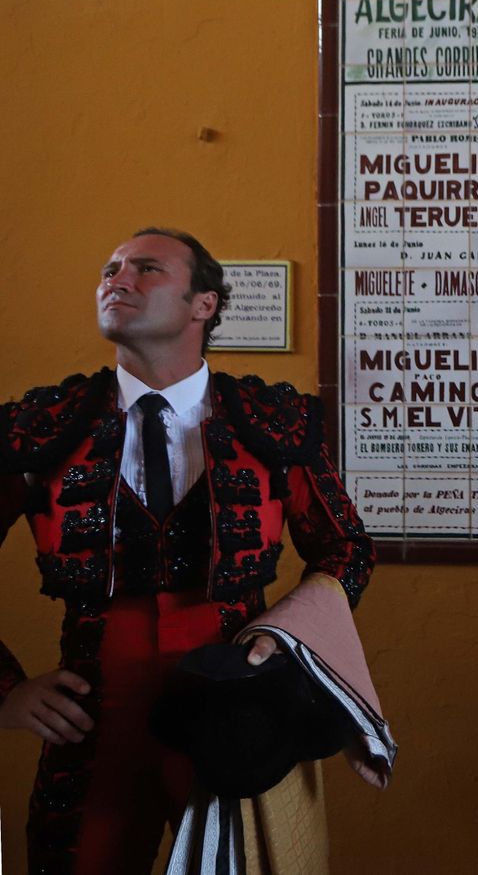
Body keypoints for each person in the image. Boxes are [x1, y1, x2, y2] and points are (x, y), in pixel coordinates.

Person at [0, 228, 374, 873]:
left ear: (204, 304)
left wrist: (286, 635)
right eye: (110, 268)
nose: (117, 279)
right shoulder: (41, 426)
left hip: (234, 709)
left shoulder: (273, 421)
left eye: (146, 268)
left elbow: (347, 550)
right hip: (92, 722)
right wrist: (2, 689)